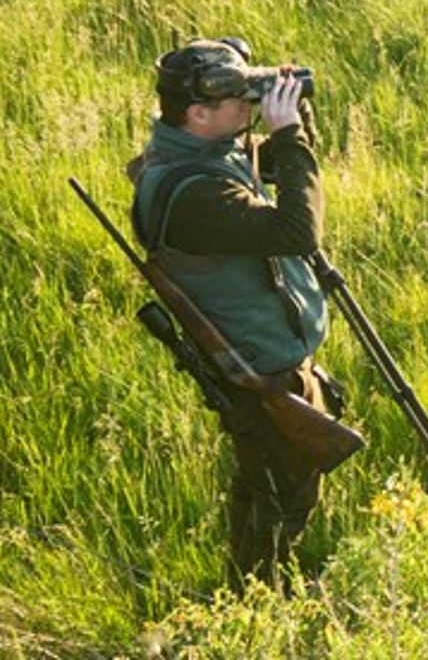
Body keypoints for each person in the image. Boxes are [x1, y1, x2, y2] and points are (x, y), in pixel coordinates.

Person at [129, 38, 347, 588]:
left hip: (264, 359)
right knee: (281, 498)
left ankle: (246, 590)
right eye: (236, 101)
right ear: (197, 113)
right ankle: (254, 609)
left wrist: (292, 119)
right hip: (258, 374)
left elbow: (281, 169)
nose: (248, 107)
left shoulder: (198, 148)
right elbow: (297, 232)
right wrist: (287, 133)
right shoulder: (194, 192)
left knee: (264, 486)